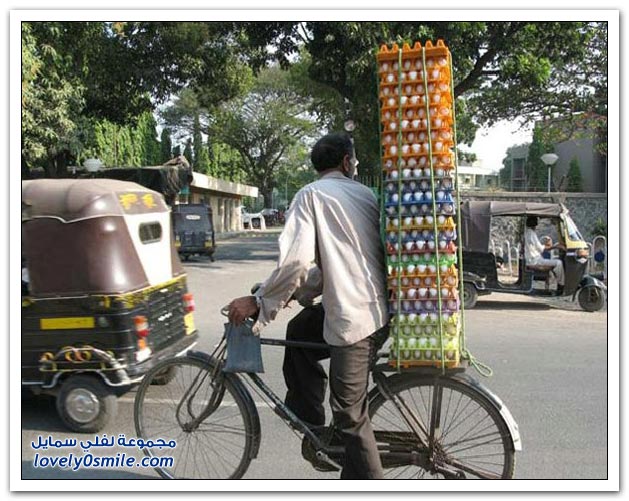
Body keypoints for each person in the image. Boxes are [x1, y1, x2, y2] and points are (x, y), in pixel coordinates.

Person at [227, 132, 389, 479]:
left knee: (349, 413)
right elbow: (338, 264)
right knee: (299, 331)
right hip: (370, 305)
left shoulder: (311, 195)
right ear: (347, 162)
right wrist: (293, 294)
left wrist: (260, 301)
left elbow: (295, 262)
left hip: (358, 317)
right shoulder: (364, 195)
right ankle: (315, 430)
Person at [524, 216, 565, 295]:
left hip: (533, 259)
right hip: (534, 261)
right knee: (559, 263)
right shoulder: (531, 233)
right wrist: (556, 246)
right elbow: (541, 249)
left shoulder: (527, 232)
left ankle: (558, 283)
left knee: (555, 262)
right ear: (535, 224)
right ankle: (561, 286)